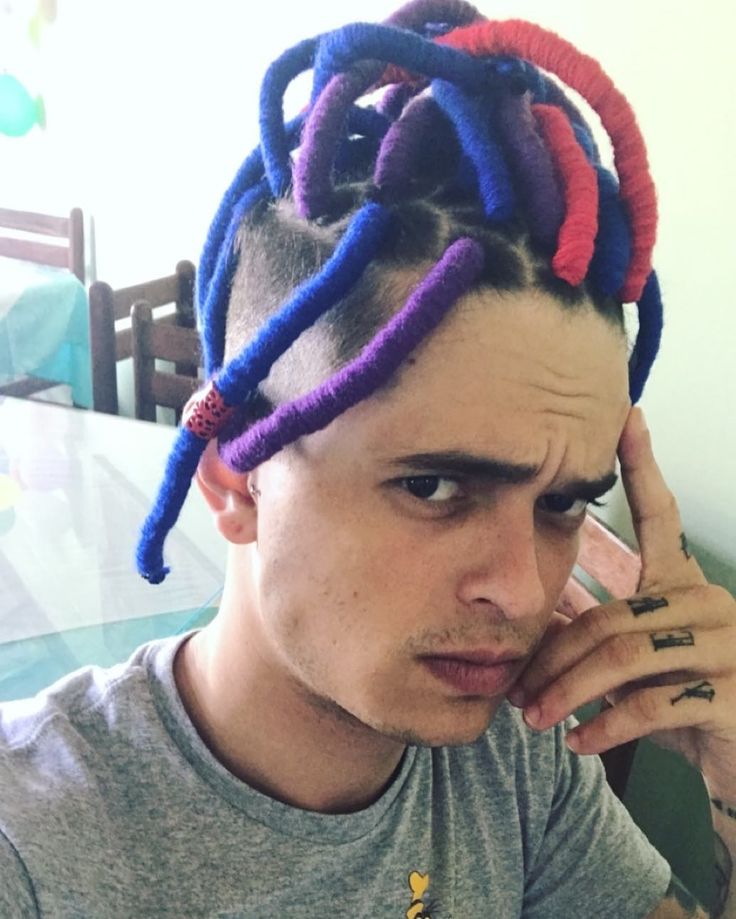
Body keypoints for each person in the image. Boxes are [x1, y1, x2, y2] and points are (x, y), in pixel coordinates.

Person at [2, 2, 735, 916]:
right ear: (235, 472)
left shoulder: (508, 761)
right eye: (434, 485)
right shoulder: (30, 845)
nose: (520, 591)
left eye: (562, 505)